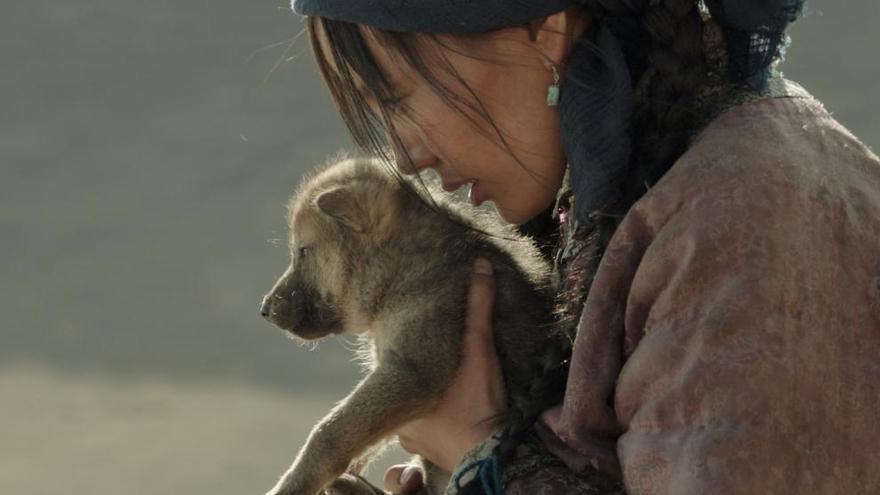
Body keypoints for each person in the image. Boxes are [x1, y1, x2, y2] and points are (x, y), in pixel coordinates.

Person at [288, 0, 880, 493]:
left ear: (544, 33)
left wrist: (477, 448)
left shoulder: (746, 222)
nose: (405, 155)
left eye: (395, 98)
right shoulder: (638, 189)